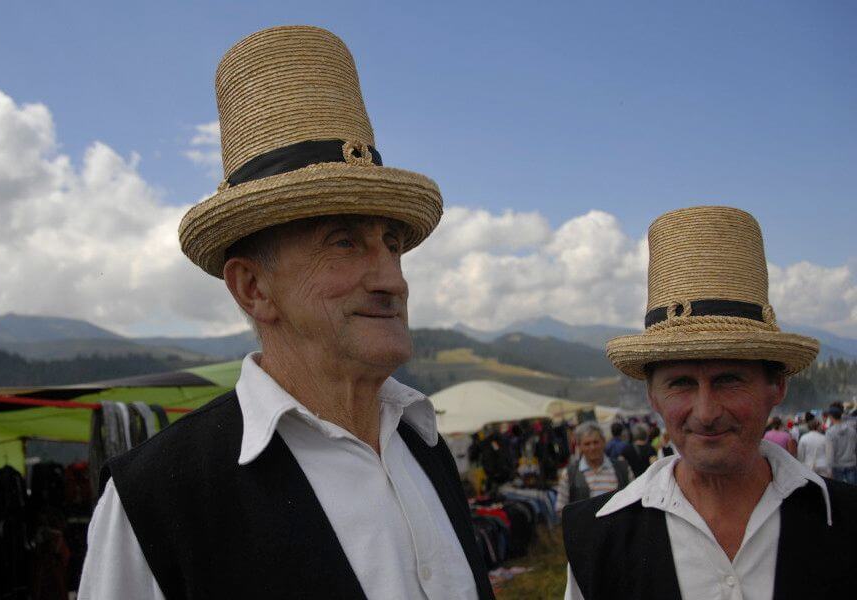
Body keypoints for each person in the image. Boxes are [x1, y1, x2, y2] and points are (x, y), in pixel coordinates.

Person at [78, 26, 492, 600]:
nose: (392, 279)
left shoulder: (423, 446)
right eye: (344, 242)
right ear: (253, 289)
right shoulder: (155, 499)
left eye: (392, 244)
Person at [562, 206, 856, 598]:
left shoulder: (847, 523)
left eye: (729, 380)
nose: (706, 412)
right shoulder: (597, 538)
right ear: (653, 395)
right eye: (681, 384)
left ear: (777, 386)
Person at [554, 422, 633, 514]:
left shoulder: (623, 468)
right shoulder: (569, 474)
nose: (592, 447)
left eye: (596, 442)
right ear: (579, 446)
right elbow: (560, 509)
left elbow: (633, 499)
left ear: (604, 442)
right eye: (587, 444)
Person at [825, 405, 857, 484]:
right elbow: (855, 448)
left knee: (839, 493)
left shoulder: (830, 432)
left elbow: (830, 452)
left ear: (831, 417)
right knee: (852, 492)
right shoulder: (852, 431)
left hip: (837, 466)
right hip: (851, 464)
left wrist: (829, 470)